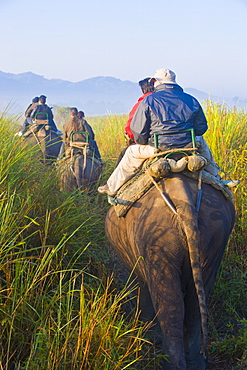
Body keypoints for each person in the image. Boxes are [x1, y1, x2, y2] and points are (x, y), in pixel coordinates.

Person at [98, 68, 232, 197]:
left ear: (158, 82)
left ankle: (112, 188)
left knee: (131, 153)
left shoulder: (148, 100)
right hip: (188, 146)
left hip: (158, 148)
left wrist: (145, 141)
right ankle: (216, 179)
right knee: (203, 144)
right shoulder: (191, 99)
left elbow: (138, 132)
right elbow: (201, 128)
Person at [115, 78, 155, 166]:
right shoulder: (167, 102)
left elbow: (131, 129)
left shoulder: (141, 104)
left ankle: (114, 180)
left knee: (123, 154)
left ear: (143, 90)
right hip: (177, 144)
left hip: (148, 144)